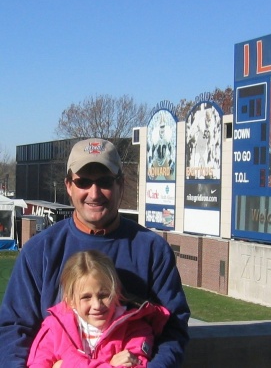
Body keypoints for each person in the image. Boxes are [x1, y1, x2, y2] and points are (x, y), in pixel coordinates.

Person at [0, 138, 190, 367]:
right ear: (69, 186)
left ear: (121, 184)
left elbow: (173, 329)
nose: (94, 193)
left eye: (105, 181)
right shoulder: (39, 251)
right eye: (83, 182)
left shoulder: (152, 250)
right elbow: (13, 330)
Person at [27, 250, 170, 368]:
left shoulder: (136, 330)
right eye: (86, 297)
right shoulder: (55, 328)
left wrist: (63, 365)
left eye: (104, 295)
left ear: (117, 292)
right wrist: (109, 365)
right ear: (70, 300)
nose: (97, 305)